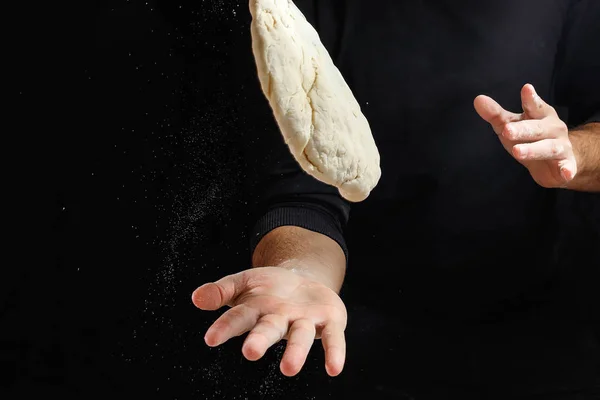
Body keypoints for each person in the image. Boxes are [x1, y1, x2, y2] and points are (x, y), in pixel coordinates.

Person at [192, 0, 599, 398]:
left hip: (537, 327)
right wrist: (300, 274)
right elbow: (302, 196)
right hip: (355, 333)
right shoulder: (287, 12)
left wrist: (573, 156)